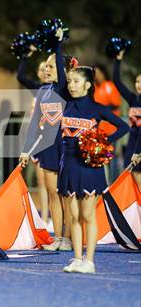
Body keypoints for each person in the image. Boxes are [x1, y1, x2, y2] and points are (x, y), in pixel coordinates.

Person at [59, 66, 129, 273]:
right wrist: (58, 43)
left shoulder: (97, 109)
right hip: (68, 164)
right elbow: (61, 80)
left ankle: (89, 261)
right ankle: (78, 259)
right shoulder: (66, 104)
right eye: (70, 82)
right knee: (73, 217)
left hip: (88, 167)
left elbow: (123, 127)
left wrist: (102, 141)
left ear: (87, 85)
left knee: (87, 215)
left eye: (76, 81)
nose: (71, 85)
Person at [19, 28, 72, 251]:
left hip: (66, 146)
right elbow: (34, 124)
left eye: (51, 66)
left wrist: (57, 43)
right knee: (53, 194)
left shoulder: (65, 89)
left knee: (67, 196)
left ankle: (69, 238)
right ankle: (58, 237)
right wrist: (26, 149)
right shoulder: (42, 91)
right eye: (46, 66)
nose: (47, 69)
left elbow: (60, 66)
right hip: (48, 146)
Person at [16, 47, 50, 224]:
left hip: (50, 139)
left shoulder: (57, 90)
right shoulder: (37, 89)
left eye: (48, 68)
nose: (45, 71)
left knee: (53, 182)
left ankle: (55, 216)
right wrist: (25, 56)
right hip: (37, 139)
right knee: (42, 182)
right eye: (42, 69)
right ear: (37, 73)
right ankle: (45, 218)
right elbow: (20, 77)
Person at [113, 51, 141, 190]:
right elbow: (117, 82)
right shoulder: (133, 99)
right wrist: (118, 60)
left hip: (139, 149)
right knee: (129, 184)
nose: (139, 84)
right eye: (137, 81)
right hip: (131, 146)